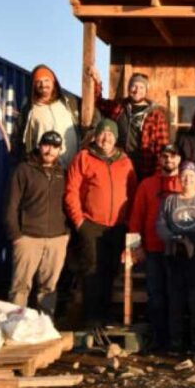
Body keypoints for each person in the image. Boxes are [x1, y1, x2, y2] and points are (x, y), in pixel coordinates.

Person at [65, 119, 138, 325]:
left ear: (116, 138)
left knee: (111, 270)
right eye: (102, 134)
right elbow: (71, 191)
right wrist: (79, 221)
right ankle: (92, 318)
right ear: (96, 136)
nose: (106, 138)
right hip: (91, 224)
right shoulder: (84, 157)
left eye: (110, 134)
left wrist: (128, 222)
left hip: (117, 226)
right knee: (92, 270)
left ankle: (106, 316)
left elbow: (133, 192)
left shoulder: (125, 161)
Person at [3, 130, 69, 315]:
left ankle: (45, 325)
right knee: (20, 287)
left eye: (55, 147)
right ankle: (15, 324)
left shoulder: (63, 173)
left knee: (49, 288)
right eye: (46, 145)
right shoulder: (24, 170)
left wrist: (66, 233)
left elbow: (69, 204)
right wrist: (16, 236)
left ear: (60, 150)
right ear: (39, 146)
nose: (50, 150)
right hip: (28, 238)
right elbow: (11, 205)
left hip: (56, 239)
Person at [157, 162, 195, 353]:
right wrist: (176, 238)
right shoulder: (170, 201)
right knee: (175, 300)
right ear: (179, 178)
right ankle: (175, 342)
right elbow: (161, 225)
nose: (187, 179)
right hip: (175, 255)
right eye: (184, 175)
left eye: (191, 176)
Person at [127, 144, 183, 352]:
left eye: (173, 156)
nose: (169, 160)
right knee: (156, 296)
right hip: (153, 249)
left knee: (176, 295)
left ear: (179, 159)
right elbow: (136, 219)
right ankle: (158, 340)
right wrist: (136, 247)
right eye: (165, 156)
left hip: (179, 251)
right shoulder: (147, 185)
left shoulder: (188, 183)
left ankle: (177, 341)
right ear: (159, 159)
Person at [88, 68, 170, 179]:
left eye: (141, 87)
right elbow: (99, 102)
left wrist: (158, 174)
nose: (137, 90)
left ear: (146, 90)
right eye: (134, 86)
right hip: (119, 164)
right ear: (128, 88)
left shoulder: (156, 115)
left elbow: (162, 147)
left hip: (145, 170)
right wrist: (97, 81)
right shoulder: (119, 107)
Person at [14, 64, 80, 168]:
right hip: (45, 169)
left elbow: (92, 114)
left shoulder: (69, 103)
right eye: (38, 82)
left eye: (46, 80)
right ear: (34, 85)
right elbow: (18, 139)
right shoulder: (30, 111)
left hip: (72, 168)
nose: (43, 85)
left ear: (53, 82)